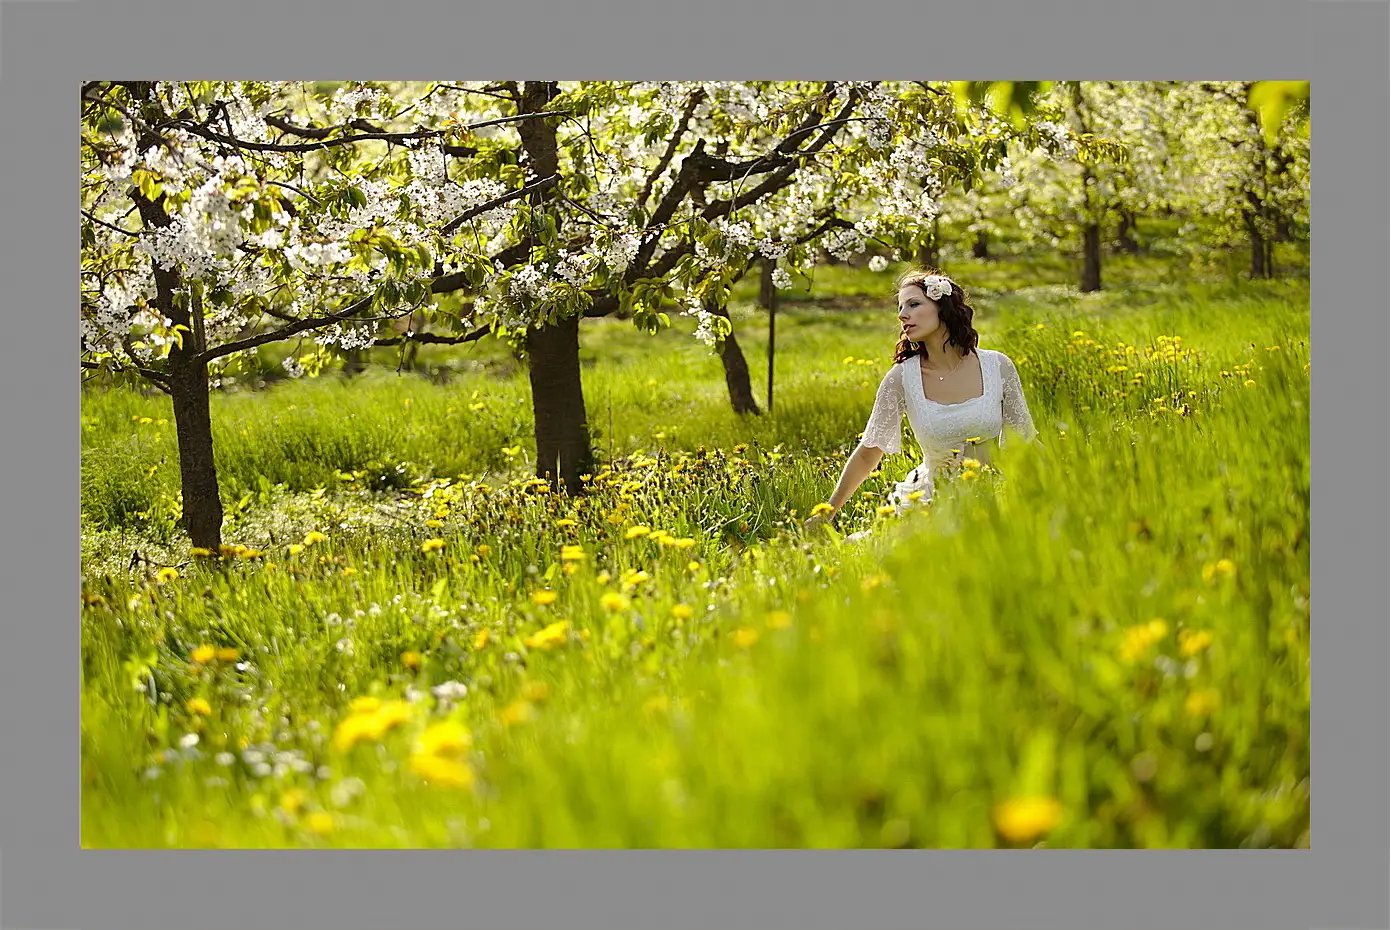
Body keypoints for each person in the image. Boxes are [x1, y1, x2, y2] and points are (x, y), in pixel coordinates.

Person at [804, 268, 1039, 534]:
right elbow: (869, 451)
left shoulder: (997, 366)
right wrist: (828, 511)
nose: (902, 314)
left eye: (914, 304)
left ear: (943, 308)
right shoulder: (901, 378)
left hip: (994, 496)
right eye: (900, 307)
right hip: (930, 502)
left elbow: (1026, 441)